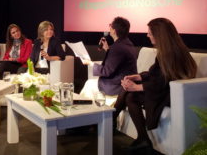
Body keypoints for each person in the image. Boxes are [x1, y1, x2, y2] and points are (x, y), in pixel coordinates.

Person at [113, 18, 197, 151]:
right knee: (130, 92)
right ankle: (138, 136)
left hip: (169, 94)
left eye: (150, 33)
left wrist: (138, 87)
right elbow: (157, 73)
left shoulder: (171, 53)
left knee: (131, 96)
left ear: (159, 35)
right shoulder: (169, 50)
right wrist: (138, 77)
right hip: (163, 89)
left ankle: (137, 135)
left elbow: (164, 81)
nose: (147, 35)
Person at [83, 16, 137, 96]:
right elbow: (118, 62)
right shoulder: (127, 43)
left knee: (89, 84)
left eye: (110, 26)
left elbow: (106, 71)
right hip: (122, 82)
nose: (109, 28)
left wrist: (90, 63)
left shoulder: (117, 48)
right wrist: (108, 49)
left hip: (117, 86)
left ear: (114, 31)